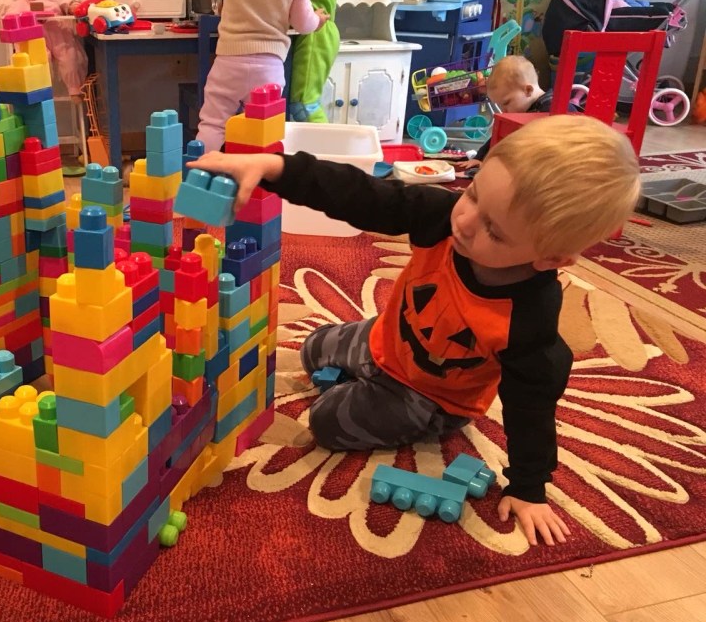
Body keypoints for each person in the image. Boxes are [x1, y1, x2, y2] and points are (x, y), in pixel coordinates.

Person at [188, 115, 640, 547]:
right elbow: (363, 195)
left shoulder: (528, 320)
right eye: (473, 194)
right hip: (388, 338)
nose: (465, 221)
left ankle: (386, 404)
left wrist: (529, 487)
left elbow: (532, 407)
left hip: (433, 397)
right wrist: (276, 168)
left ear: (552, 258)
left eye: (495, 232)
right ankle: (364, 377)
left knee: (325, 421)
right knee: (312, 348)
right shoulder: (442, 216)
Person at [192, 0, 329, 152]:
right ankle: (258, 170)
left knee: (214, 123)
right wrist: (318, 20)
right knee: (264, 130)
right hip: (269, 68)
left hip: (229, 63)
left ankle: (205, 168)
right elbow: (303, 23)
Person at [464, 54, 575, 168]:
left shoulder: (554, 109)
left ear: (528, 90)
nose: (503, 111)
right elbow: (499, 138)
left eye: (506, 103)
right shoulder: (524, 109)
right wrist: (480, 158)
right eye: (500, 105)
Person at [284, 0, 340, 122]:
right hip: (323, 30)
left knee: (304, 105)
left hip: (312, 33)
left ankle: (325, 142)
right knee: (307, 103)